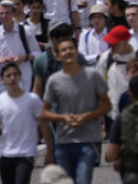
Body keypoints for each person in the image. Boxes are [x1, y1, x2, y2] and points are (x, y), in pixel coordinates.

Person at [41, 36, 112, 184]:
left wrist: (88, 116)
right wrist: (64, 118)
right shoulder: (54, 80)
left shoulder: (92, 76)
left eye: (71, 48)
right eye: (63, 50)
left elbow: (107, 105)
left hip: (87, 141)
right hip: (63, 142)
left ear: (76, 52)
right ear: (58, 56)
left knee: (83, 181)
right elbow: (44, 112)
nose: (68, 52)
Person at [0, 63, 53, 184]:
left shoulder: (32, 99)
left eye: (15, 75)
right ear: (2, 80)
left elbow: (43, 125)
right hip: (5, 154)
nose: (12, 78)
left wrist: (49, 150)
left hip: (26, 154)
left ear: (20, 76)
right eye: (8, 75)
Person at [96, 25, 138, 119]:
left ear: (125, 43)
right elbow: (99, 86)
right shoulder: (106, 58)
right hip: (112, 114)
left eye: (114, 44)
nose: (111, 47)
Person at [0, 1, 39, 93]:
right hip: (2, 83)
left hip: (24, 80)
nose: (4, 16)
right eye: (1, 13)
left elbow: (37, 54)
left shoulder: (25, 31)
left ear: (13, 14)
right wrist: (1, 60)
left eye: (7, 13)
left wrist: (23, 58)